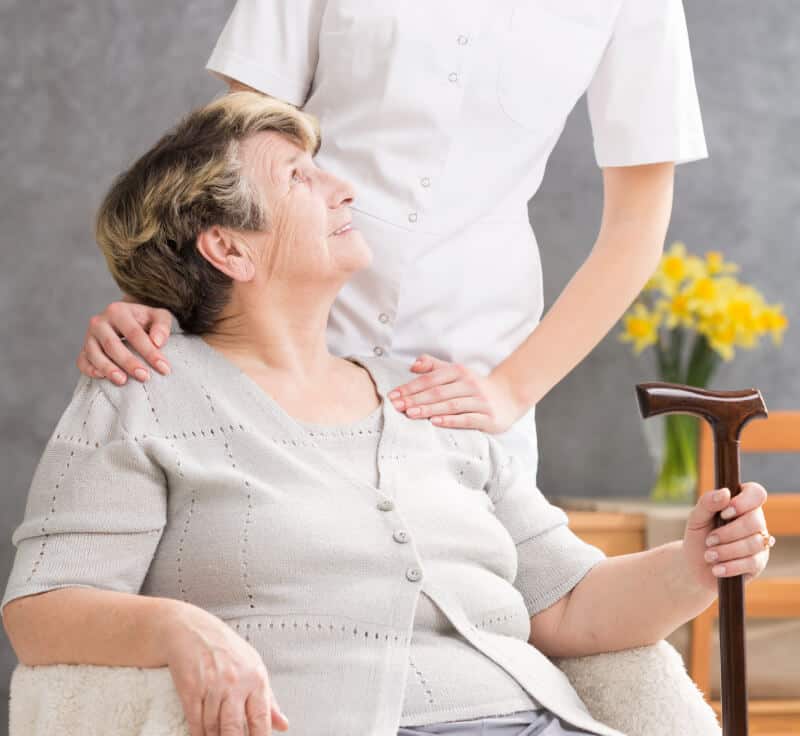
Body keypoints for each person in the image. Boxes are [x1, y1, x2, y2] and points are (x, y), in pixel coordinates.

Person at [1, 93, 771, 736]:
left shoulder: (426, 392)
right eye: (300, 177)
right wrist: (179, 629)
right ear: (229, 250)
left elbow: (567, 606)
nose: (342, 189)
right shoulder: (143, 392)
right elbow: (42, 609)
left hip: (532, 721)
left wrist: (696, 561)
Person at [72, 0, 710, 486]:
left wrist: (512, 389)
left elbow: (635, 229)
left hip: (465, 363)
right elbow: (233, 155)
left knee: (464, 607)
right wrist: (159, 295)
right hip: (277, 337)